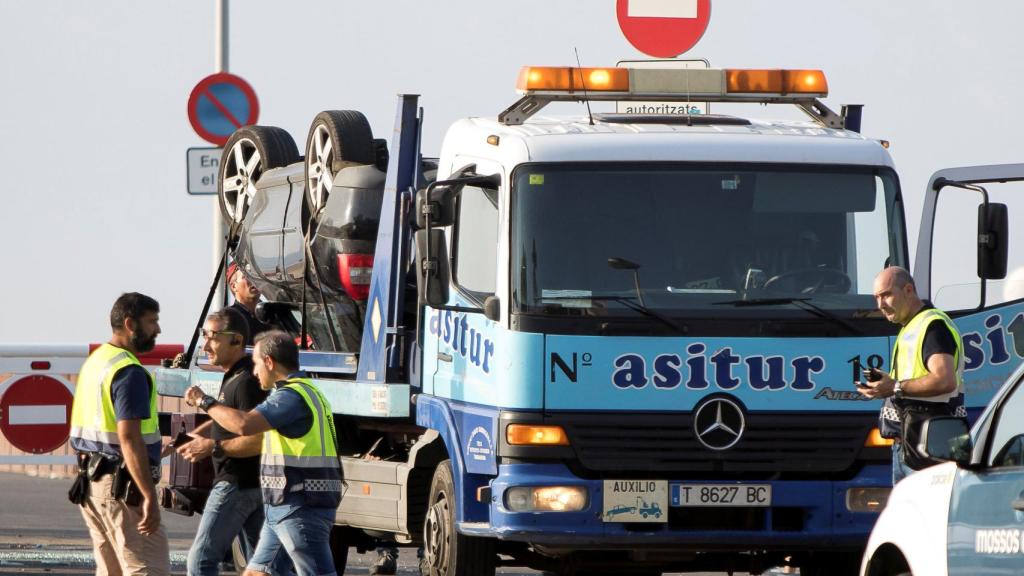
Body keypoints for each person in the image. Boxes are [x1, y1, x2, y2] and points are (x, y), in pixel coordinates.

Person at [185, 331, 341, 576]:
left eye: (256, 364)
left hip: (299, 506)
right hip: (284, 505)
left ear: (269, 362)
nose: (254, 372)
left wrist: (205, 402)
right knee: (258, 573)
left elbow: (244, 425)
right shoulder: (307, 391)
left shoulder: (289, 397)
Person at [178, 308, 288, 576]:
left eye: (213, 337)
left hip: (236, 483)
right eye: (205, 336)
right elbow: (230, 419)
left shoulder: (247, 381)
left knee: (200, 561)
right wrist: (201, 434)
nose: (205, 345)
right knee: (262, 568)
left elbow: (260, 438)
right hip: (253, 486)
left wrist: (212, 446)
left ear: (237, 341)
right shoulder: (236, 376)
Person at [69, 292, 171, 575]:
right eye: (152, 322)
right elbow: (129, 438)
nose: (158, 330)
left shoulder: (96, 361)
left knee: (110, 569)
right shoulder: (129, 372)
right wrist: (148, 495)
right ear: (130, 324)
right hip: (122, 488)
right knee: (147, 568)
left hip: (90, 483)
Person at [859, 267, 965, 483]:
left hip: (928, 449)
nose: (880, 305)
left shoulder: (932, 326)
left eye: (887, 295)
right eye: (877, 298)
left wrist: (894, 387)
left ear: (908, 290)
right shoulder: (912, 326)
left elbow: (944, 380)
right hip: (911, 446)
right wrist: (887, 384)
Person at [228, 263, 271, 344]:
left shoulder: (272, 315)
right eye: (246, 276)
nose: (253, 280)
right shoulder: (229, 319)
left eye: (255, 275)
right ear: (234, 286)